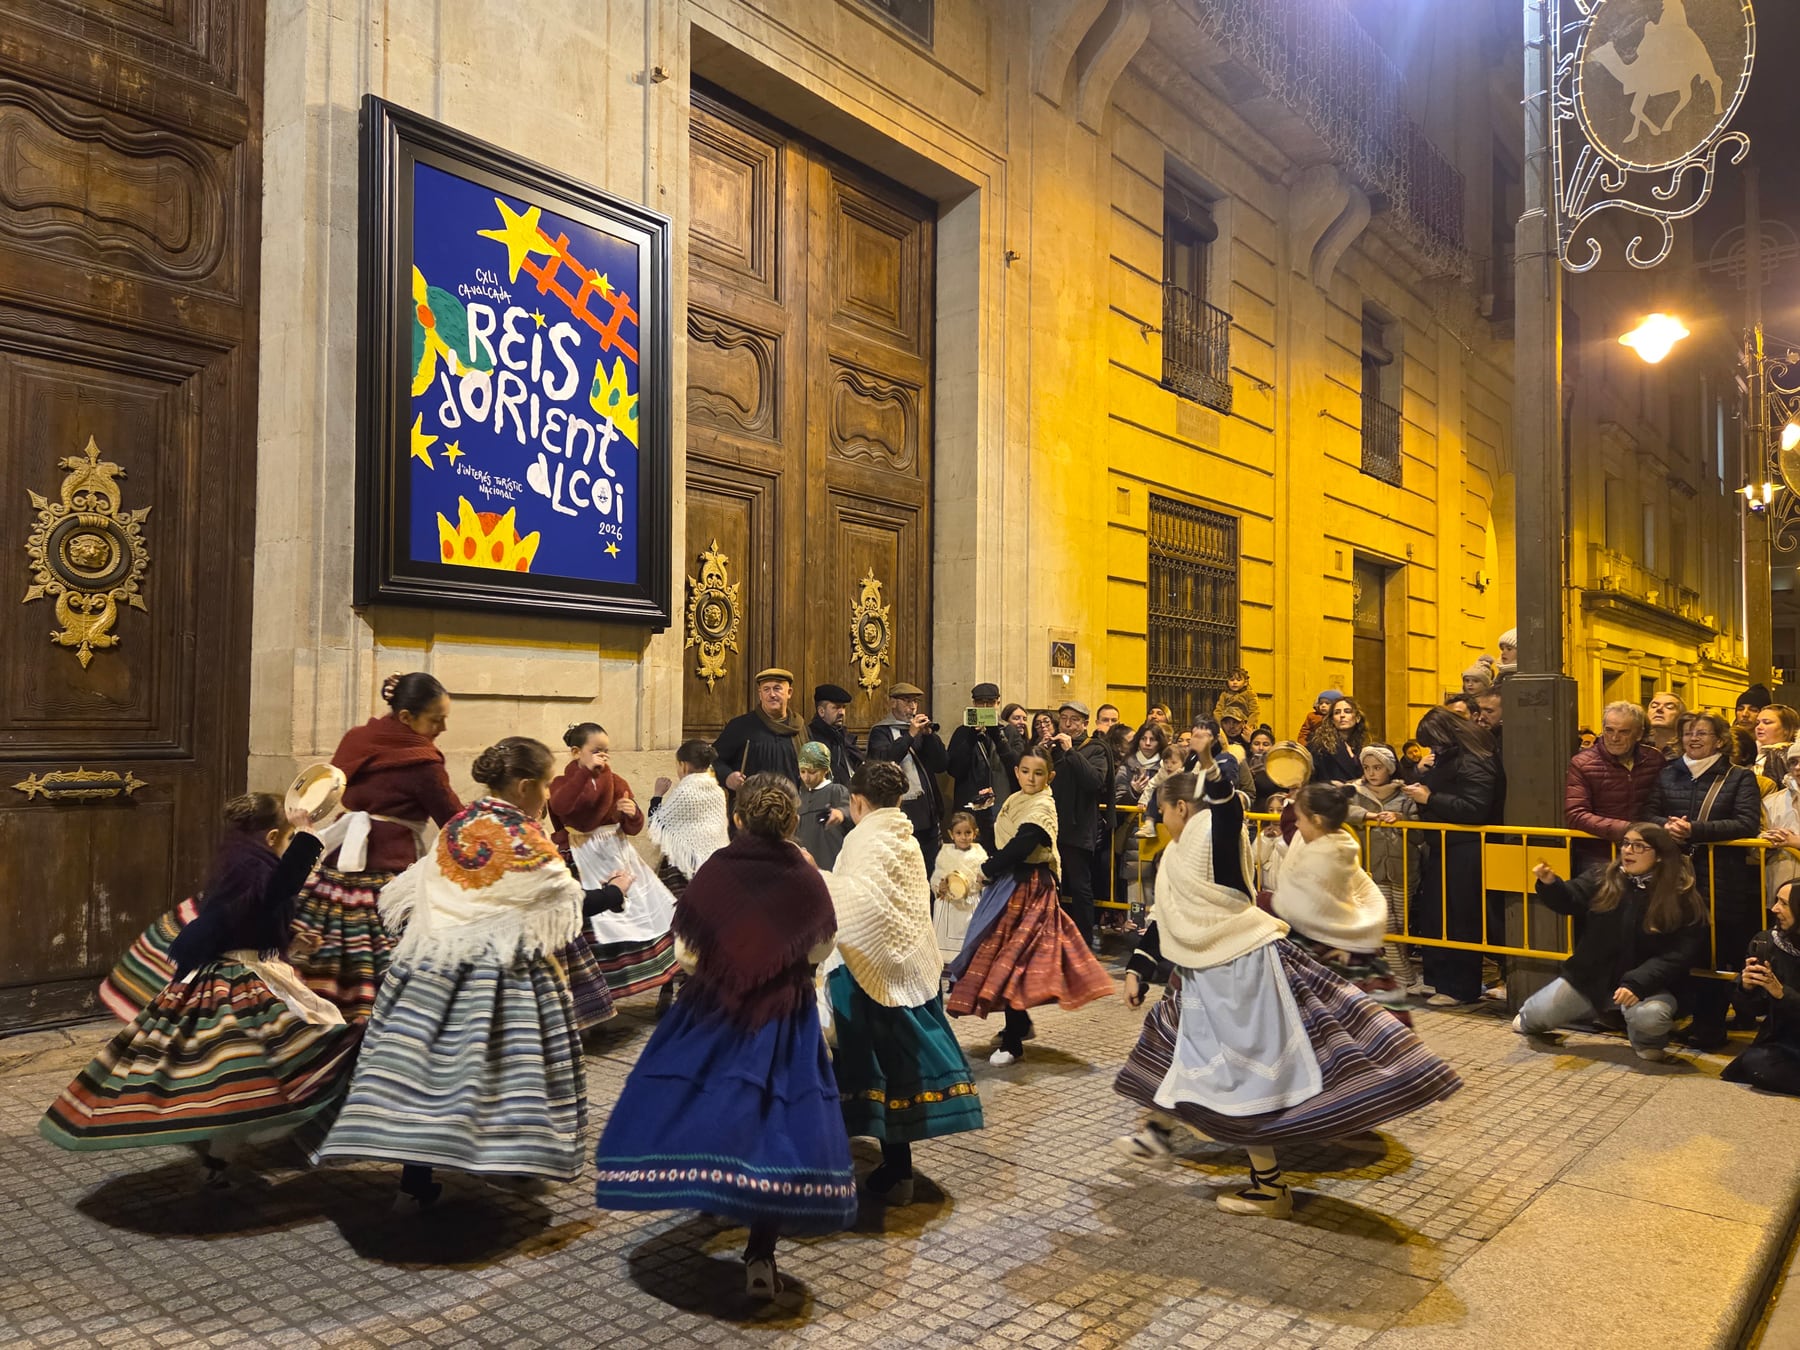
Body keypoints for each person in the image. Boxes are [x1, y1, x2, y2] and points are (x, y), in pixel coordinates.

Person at [1111, 769, 1461, 1218]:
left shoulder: (1218, 842)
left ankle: (1270, 1179)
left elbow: (1232, 825)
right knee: (1177, 1046)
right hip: (1207, 973)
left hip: (1245, 971)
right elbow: (1171, 914)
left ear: (1182, 808)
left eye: (1162, 809)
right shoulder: (1180, 854)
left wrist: (1214, 770)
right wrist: (1139, 967)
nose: (1160, 819)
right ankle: (1159, 1133)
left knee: (1250, 1074)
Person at [317, 738, 618, 1208]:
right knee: (512, 1072)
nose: (547, 796)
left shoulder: (460, 824)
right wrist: (615, 893)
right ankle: (513, 1163)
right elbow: (564, 901)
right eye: (544, 785)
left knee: (424, 1073)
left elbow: (420, 884)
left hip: (432, 969)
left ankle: (414, 1185)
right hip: (503, 978)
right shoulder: (524, 837)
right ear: (524, 787)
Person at [593, 774, 856, 1299]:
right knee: (775, 1120)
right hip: (783, 1014)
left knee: (711, 1101)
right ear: (791, 822)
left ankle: (713, 1185)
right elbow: (820, 947)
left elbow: (687, 953)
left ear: (737, 819)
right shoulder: (804, 876)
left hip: (715, 1010)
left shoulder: (716, 871)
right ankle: (761, 1253)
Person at [42, 796, 356, 1178]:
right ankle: (254, 1143)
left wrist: (292, 940)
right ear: (273, 836)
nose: (290, 843)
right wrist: (307, 837)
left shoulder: (243, 861)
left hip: (246, 969)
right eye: (288, 838)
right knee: (278, 1059)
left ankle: (222, 1158)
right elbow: (277, 890)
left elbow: (249, 916)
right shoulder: (249, 864)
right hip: (240, 978)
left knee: (246, 1073)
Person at [822, 762, 985, 1205]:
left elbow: (856, 902)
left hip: (866, 971)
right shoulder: (908, 838)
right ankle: (898, 1170)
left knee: (864, 1073)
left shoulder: (863, 839)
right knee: (901, 1073)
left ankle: (841, 1170)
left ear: (857, 802)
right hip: (910, 966)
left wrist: (818, 879)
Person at [294, 672, 461, 1021]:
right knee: (388, 947)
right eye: (436, 720)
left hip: (338, 862)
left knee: (332, 941)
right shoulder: (422, 762)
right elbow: (452, 818)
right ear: (406, 717)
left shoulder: (356, 739)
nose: (443, 728)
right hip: (391, 868)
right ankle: (381, 1018)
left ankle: (324, 1010)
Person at [946, 745, 1113, 1064]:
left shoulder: (1043, 805)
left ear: (1050, 776)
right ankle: (1019, 1024)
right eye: (1025, 771)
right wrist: (983, 814)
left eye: (1038, 773)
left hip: (1031, 885)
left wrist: (985, 870)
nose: (1031, 778)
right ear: (1016, 772)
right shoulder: (1015, 800)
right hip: (1010, 885)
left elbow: (1022, 845)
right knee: (1006, 956)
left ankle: (1013, 1041)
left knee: (1014, 959)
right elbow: (1002, 843)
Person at [1516, 825, 1709, 1062]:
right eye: (1626, 843)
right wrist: (1550, 884)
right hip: (1590, 979)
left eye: (1639, 846)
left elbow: (1679, 953)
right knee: (1535, 1017)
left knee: (1651, 1016)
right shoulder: (1603, 876)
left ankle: (1646, 1041)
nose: (1628, 850)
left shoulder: (1680, 894)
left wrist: (1638, 983)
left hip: (1648, 986)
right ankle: (1532, 1016)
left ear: (1659, 855)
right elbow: (1571, 899)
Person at [1647, 712, 1764, 1049]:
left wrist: (1695, 830)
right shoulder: (1667, 773)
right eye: (1688, 733)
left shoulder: (1739, 777)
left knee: (1716, 951)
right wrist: (1666, 826)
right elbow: (1647, 812)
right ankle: (1680, 1017)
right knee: (1677, 948)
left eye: (1701, 733)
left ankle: (1710, 1027)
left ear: (1720, 740)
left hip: (1721, 879)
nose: (1693, 738)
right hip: (1674, 877)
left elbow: (1746, 823)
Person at [551, 722, 679, 1004]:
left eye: (606, 751)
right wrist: (585, 774)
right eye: (596, 751)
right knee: (593, 925)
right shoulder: (561, 784)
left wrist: (632, 813)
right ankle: (594, 995)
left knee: (644, 914)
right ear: (576, 752)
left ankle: (664, 981)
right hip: (581, 855)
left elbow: (633, 827)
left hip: (617, 853)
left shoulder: (618, 782)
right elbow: (564, 808)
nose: (603, 756)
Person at [1272, 783, 1410, 1025]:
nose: (1297, 824)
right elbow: (1292, 831)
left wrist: (1266, 903)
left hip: (1324, 952)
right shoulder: (1338, 843)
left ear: (1316, 820)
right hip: (1346, 944)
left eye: (1301, 819)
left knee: (1337, 1022)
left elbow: (1297, 906)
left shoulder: (1320, 858)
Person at [1404, 707, 1502, 1005]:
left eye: (1433, 743)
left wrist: (1430, 798)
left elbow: (1475, 808)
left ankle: (1459, 987)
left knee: (1459, 919)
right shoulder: (1454, 756)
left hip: (1465, 847)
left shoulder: (1473, 759)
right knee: (1438, 915)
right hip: (1447, 844)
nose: (1432, 750)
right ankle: (1441, 981)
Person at [1348, 744, 1423, 993]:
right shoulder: (1356, 792)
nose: (1371, 773)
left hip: (1403, 868)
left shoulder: (1405, 795)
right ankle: (1401, 977)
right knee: (1385, 924)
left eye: (1377, 767)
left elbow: (1419, 833)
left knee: (1400, 924)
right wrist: (1366, 816)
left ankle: (1403, 975)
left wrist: (1401, 821)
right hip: (1373, 868)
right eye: (1367, 767)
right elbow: (1342, 810)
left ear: (1389, 769)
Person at [1564, 701, 1664, 878]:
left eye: (1623, 732)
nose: (1614, 738)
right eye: (1609, 730)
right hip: (1598, 854)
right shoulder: (1582, 763)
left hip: (1645, 852)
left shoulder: (1654, 759)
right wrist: (1627, 829)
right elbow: (1576, 814)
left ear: (1639, 734)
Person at [1721, 879, 1800, 1095]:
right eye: (1776, 901)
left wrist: (1782, 994)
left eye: (1784, 903)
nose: (1774, 909)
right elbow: (1753, 1011)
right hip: (1783, 1041)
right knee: (1755, 1062)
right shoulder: (1767, 942)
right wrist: (1746, 988)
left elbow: (1782, 995)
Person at [867, 682, 949, 872]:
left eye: (915, 702)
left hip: (927, 812)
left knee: (931, 869)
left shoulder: (921, 732)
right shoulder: (881, 731)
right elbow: (883, 762)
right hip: (901, 812)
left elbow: (941, 764)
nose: (912, 707)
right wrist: (910, 735)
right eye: (906, 701)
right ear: (892, 703)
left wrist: (929, 737)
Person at [1048, 700, 1111, 947]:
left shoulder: (1095, 749)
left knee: (1079, 887)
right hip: (1053, 824)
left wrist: (1070, 752)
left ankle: (1083, 941)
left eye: (1074, 720)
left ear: (1085, 724)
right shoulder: (1054, 747)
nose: (1067, 724)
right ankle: (1055, 937)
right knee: (1053, 885)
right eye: (1064, 718)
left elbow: (1094, 781)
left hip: (1079, 828)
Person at [647, 740, 731, 899]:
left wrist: (657, 795)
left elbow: (656, 825)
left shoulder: (685, 791)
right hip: (715, 862)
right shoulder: (718, 791)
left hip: (685, 867)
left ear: (683, 765)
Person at [947, 681, 1023, 850]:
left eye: (990, 703)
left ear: (998, 703)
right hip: (970, 807)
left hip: (1001, 805)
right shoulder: (962, 732)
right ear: (974, 704)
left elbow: (1017, 767)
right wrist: (971, 737)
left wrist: (998, 737)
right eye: (981, 703)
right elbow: (954, 769)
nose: (986, 707)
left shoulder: (1009, 731)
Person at [714, 668, 805, 791]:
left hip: (792, 801)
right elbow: (714, 759)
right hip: (752, 801)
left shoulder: (800, 729)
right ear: (760, 694)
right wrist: (727, 777)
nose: (772, 695)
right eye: (766, 689)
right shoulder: (740, 726)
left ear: (789, 692)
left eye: (777, 688)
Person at [931, 812, 989, 966]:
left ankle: (967, 964)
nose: (963, 837)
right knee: (946, 937)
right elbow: (937, 876)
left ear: (975, 833)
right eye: (958, 833)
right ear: (951, 834)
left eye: (968, 832)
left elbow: (984, 877)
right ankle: (945, 965)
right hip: (949, 904)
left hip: (970, 903)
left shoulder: (979, 854)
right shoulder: (945, 854)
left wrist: (981, 881)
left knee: (969, 938)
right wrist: (940, 886)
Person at [796, 741, 851, 869]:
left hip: (831, 859)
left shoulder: (836, 791)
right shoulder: (800, 798)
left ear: (825, 770)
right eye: (803, 772)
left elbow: (850, 811)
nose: (806, 777)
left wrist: (841, 813)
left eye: (812, 772)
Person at [808, 683, 864, 785]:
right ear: (821, 711)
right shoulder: (811, 739)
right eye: (836, 707)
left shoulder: (844, 738)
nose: (842, 712)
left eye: (843, 707)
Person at [1308, 696, 1368, 784]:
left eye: (1347, 711)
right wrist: (1330, 784)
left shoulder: (1365, 744)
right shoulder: (1318, 746)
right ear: (1332, 720)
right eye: (1337, 712)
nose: (1342, 715)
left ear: (1357, 718)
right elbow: (1310, 781)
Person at [1753, 704, 1800, 776]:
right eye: (1757, 723)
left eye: (1767, 722)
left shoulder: (1783, 756)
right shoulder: (1753, 753)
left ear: (1786, 729)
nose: (1759, 727)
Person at [1212, 666, 1260, 732]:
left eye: (1238, 680)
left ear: (1245, 683)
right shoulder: (1224, 695)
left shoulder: (1250, 694)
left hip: (1244, 725)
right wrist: (1221, 726)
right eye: (1232, 680)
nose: (1234, 682)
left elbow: (1254, 712)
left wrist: (1248, 727)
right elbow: (1218, 711)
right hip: (1227, 725)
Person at [1645, 690, 1686, 757]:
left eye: (1669, 707)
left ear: (1681, 716)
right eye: (1654, 706)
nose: (1659, 709)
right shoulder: (1636, 747)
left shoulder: (1689, 750)